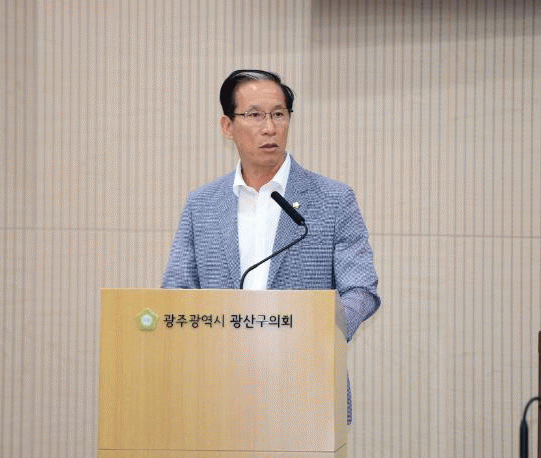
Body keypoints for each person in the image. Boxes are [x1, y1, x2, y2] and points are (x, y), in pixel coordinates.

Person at [162, 69, 381, 423]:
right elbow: (177, 291)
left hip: (306, 387)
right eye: (254, 115)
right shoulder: (201, 204)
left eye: (279, 114)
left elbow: (361, 290)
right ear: (227, 126)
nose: (269, 127)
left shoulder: (333, 199)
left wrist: (320, 330)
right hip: (216, 388)